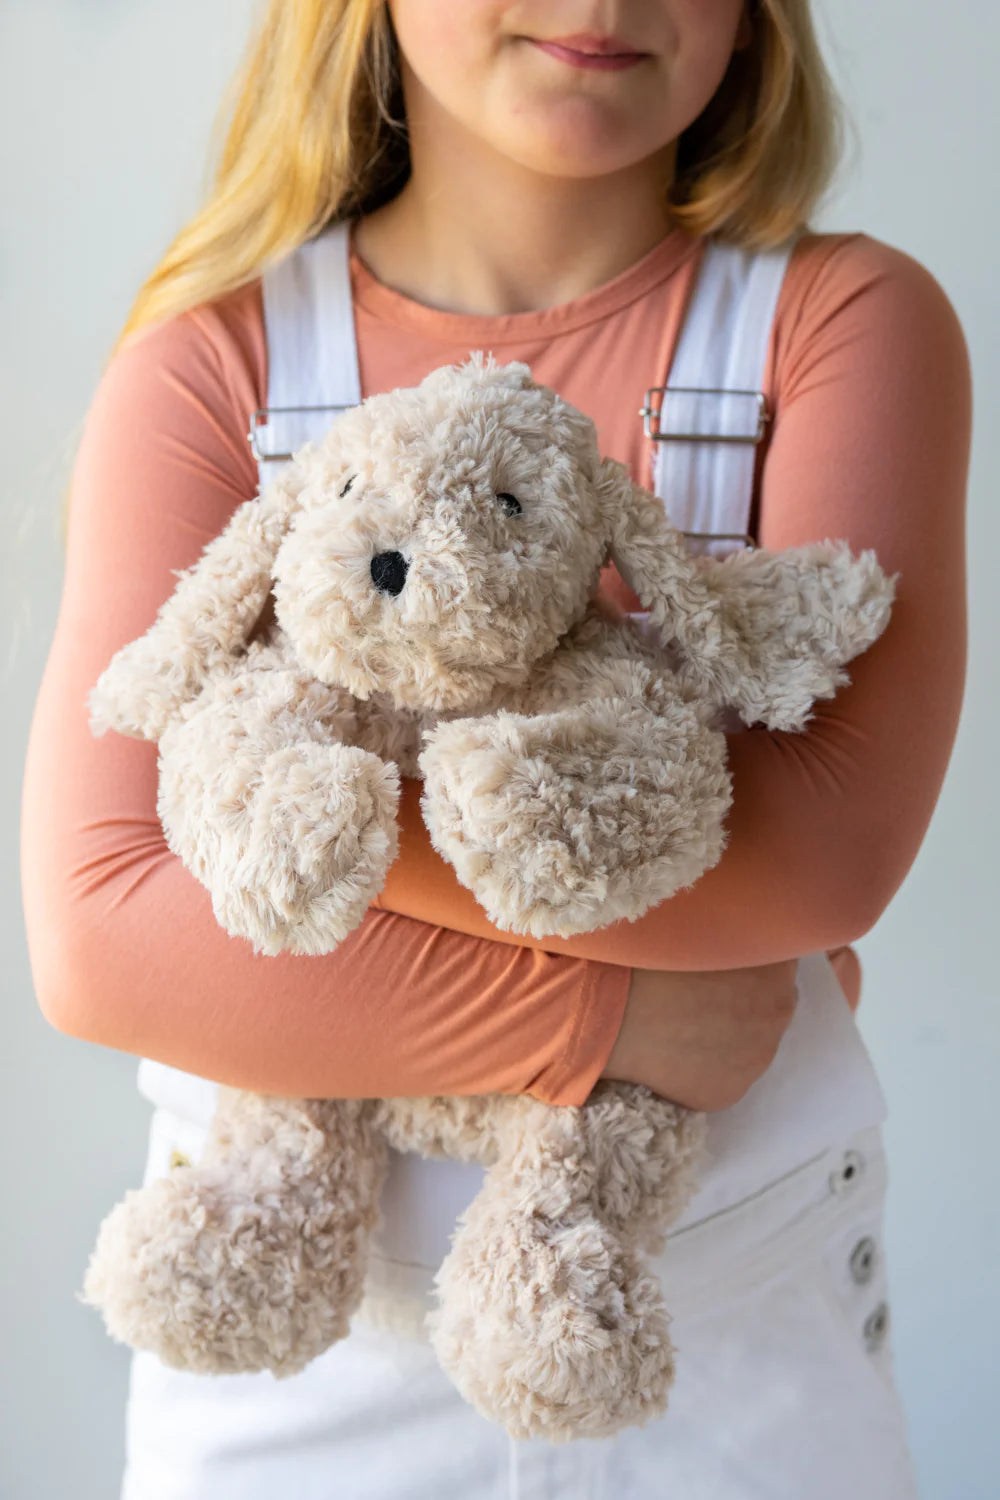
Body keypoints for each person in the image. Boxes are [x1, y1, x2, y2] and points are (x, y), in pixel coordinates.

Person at [20, 1, 970, 1496]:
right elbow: (106, 937)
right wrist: (605, 1021)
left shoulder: (839, 321)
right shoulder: (212, 363)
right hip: (298, 1371)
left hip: (726, 1348)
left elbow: (821, 855)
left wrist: (303, 828)